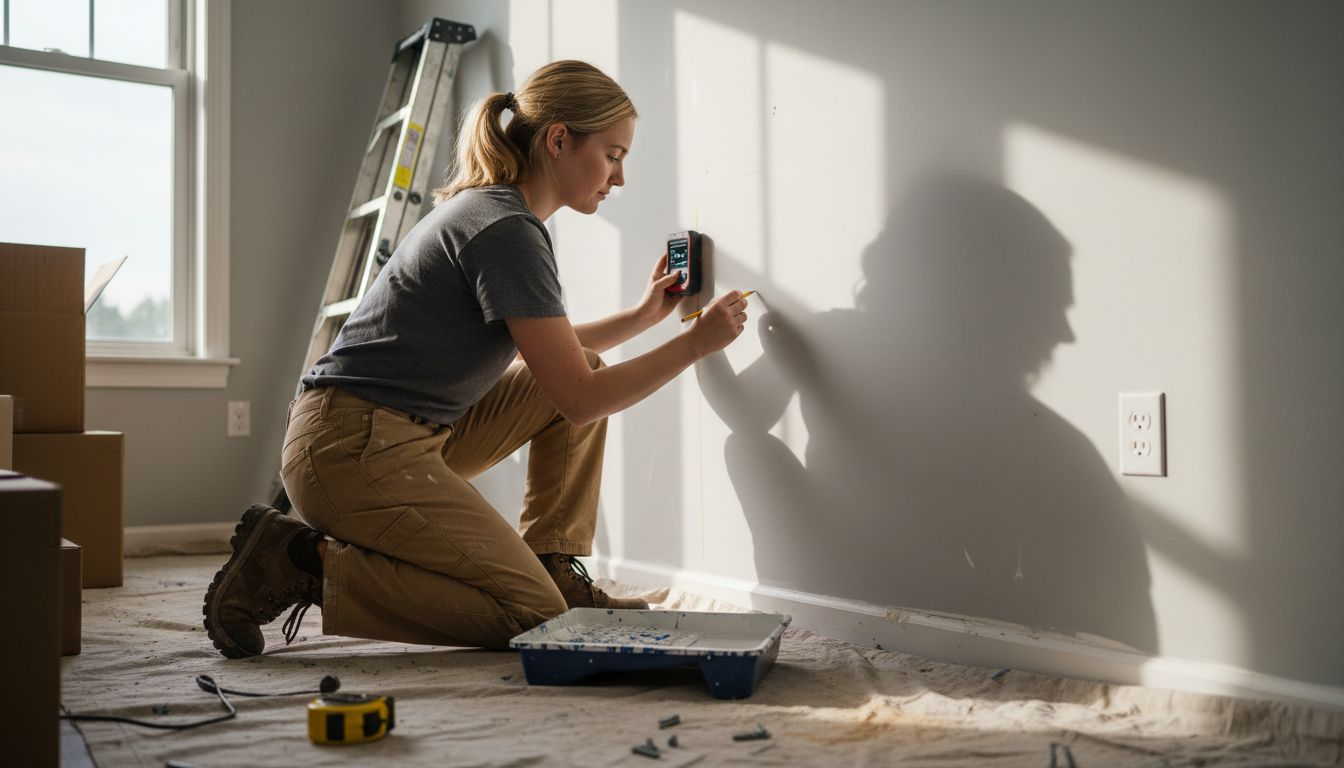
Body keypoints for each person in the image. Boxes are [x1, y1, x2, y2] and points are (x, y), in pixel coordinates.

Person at [202, 60, 750, 658]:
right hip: (349, 449)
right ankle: (300, 563)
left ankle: (554, 565)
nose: (618, 178)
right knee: (532, 616)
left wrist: (644, 317)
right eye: (613, 155)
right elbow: (581, 403)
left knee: (586, 362)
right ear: (559, 139)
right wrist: (697, 344)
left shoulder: (496, 213)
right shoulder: (505, 230)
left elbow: (558, 357)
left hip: (396, 436)